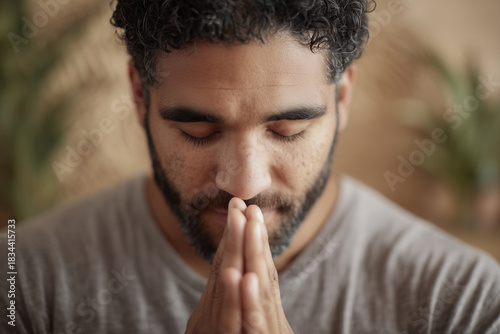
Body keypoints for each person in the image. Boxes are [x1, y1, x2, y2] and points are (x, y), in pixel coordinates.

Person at [1, 0, 500, 333]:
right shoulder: (21, 280)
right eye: (198, 131)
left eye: (287, 130)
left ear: (342, 96)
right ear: (138, 95)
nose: (244, 182)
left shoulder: (463, 304)